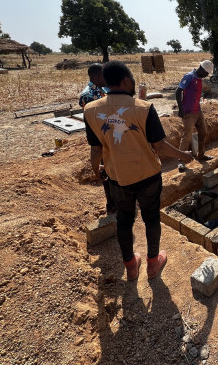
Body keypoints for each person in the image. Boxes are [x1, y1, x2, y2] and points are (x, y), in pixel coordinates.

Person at [84, 61, 193, 281]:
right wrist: (185, 156)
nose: (134, 83)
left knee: (124, 220)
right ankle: (153, 264)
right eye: (132, 79)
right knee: (151, 218)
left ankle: (131, 266)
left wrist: (97, 170)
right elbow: (160, 145)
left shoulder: (91, 110)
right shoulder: (143, 108)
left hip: (117, 177)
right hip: (147, 176)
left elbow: (96, 149)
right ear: (126, 80)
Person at [79, 63, 114, 214]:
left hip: (113, 138)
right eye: (104, 75)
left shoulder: (103, 90)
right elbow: (94, 124)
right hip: (102, 141)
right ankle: (112, 206)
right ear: (98, 76)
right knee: (107, 175)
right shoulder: (88, 96)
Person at [175, 61, 214, 171]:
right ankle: (180, 161)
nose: (207, 75)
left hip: (197, 110)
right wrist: (180, 108)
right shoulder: (189, 76)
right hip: (188, 112)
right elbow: (178, 91)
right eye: (206, 73)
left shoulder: (199, 78)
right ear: (201, 69)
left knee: (203, 132)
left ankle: (200, 155)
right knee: (186, 136)